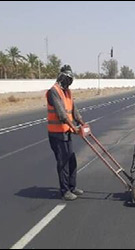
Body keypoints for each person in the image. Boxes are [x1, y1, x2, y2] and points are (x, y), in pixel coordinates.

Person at [46, 65, 86, 201]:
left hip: (66, 132)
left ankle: (72, 186)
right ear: (62, 77)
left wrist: (82, 123)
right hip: (57, 134)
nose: (69, 83)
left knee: (72, 160)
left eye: (71, 80)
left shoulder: (68, 92)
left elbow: (74, 111)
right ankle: (65, 191)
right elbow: (62, 114)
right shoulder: (54, 91)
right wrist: (74, 128)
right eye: (68, 80)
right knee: (63, 163)